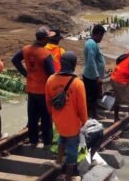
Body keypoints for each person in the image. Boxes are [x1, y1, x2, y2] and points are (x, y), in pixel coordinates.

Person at [46, 51, 87, 181]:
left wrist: (53, 115)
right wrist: (84, 121)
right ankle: (69, 177)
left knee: (62, 138)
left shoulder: (50, 80)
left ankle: (58, 162)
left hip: (58, 120)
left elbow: (48, 102)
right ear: (74, 65)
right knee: (72, 149)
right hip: (73, 122)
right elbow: (82, 107)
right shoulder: (77, 83)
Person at [12, 26, 55, 148]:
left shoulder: (26, 49)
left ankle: (33, 141)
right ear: (44, 39)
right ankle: (47, 143)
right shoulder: (45, 54)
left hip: (31, 89)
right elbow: (52, 74)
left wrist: (26, 73)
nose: (49, 40)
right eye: (48, 38)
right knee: (46, 119)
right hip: (43, 91)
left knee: (32, 116)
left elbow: (15, 60)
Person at [82, 24, 106, 118]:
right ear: (98, 34)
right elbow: (91, 61)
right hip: (91, 76)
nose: (102, 38)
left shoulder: (92, 43)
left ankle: (92, 114)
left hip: (92, 75)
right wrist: (97, 76)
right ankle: (94, 115)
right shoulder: (91, 44)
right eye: (102, 36)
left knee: (93, 96)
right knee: (92, 97)